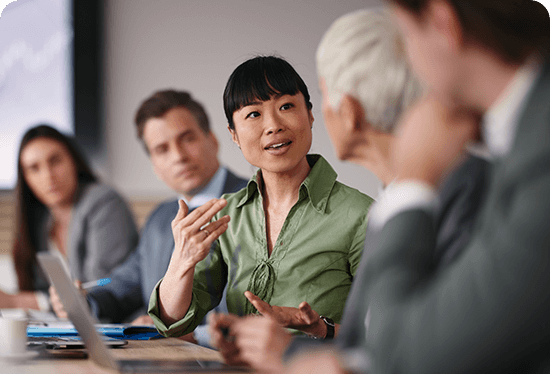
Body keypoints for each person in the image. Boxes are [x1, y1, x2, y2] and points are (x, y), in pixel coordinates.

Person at [283, 0, 550, 374]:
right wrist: (358, 373)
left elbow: (404, 358)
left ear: (444, 24)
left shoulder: (533, 156)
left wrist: (415, 180)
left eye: (406, 36)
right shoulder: (518, 141)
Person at [209, 8, 491, 374]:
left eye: (315, 99)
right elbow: (372, 339)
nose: (275, 125)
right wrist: (319, 332)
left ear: (349, 112)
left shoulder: (443, 193)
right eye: (254, 114)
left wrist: (291, 354)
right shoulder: (395, 199)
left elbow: (428, 354)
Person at [148, 56, 373, 342]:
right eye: (254, 114)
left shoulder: (360, 214)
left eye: (287, 106)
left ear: (310, 114)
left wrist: (322, 329)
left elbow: (390, 333)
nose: (274, 125)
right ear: (233, 135)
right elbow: (173, 323)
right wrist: (180, 261)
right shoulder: (225, 214)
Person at [52, 90, 248, 345]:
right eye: (162, 149)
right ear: (155, 165)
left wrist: (166, 328)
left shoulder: (254, 201)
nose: (179, 156)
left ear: (212, 139)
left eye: (187, 139)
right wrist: (84, 301)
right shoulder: (159, 218)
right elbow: (123, 283)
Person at [0, 125, 138, 311]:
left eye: (55, 161)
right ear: (25, 179)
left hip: (117, 326)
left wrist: (18, 302)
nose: (48, 176)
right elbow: (43, 288)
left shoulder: (105, 202)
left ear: (73, 160)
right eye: (34, 168)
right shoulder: (43, 221)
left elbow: (102, 289)